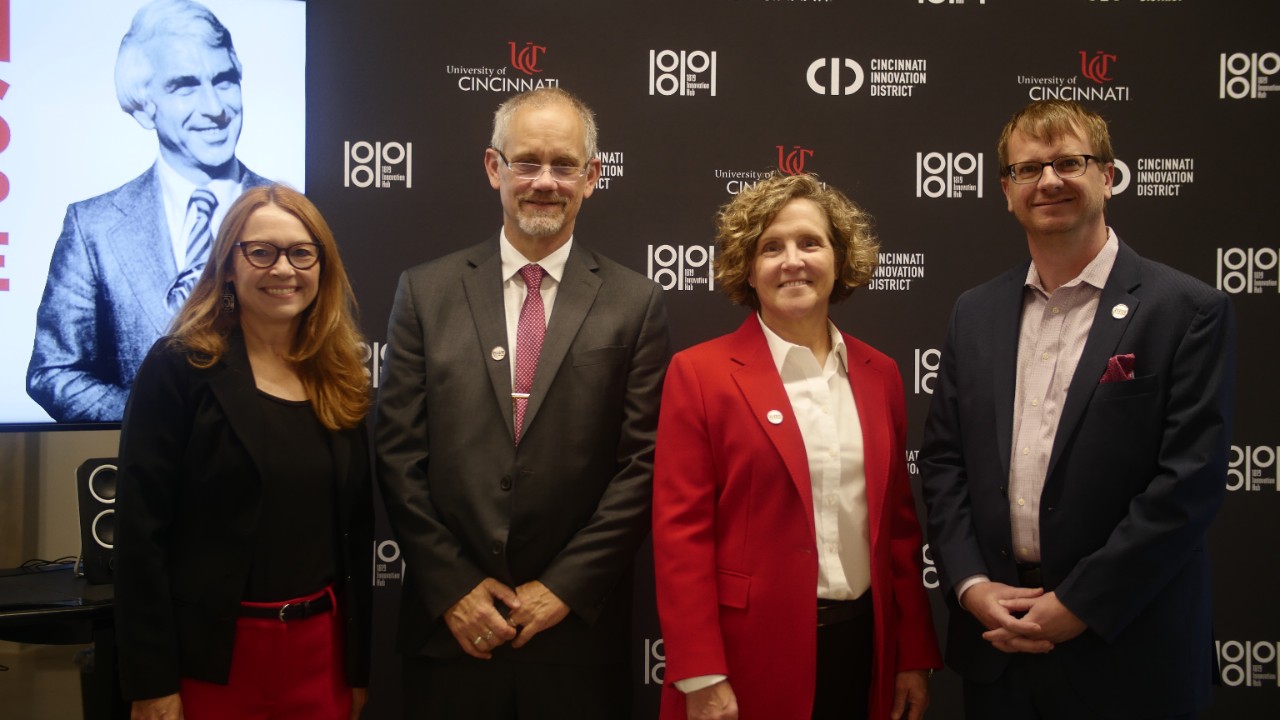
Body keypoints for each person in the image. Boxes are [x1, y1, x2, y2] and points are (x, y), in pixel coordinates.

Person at [919, 100, 1236, 719]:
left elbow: (1187, 485)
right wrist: (971, 586)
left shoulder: (1187, 310)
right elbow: (944, 464)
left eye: (1070, 162)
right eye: (1029, 169)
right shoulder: (974, 313)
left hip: (1128, 651)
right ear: (1006, 190)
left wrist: (1081, 604)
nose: (1050, 182)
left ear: (1109, 175)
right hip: (998, 649)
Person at [375, 87, 670, 718]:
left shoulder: (635, 303)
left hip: (576, 642)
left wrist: (561, 589)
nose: (544, 181)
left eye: (564, 165)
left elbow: (642, 465)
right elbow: (398, 453)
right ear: (493, 168)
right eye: (526, 161)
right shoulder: (425, 293)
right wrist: (453, 588)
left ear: (592, 177)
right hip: (450, 637)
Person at [653, 173, 942, 720]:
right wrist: (701, 673)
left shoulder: (879, 373)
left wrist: (912, 655)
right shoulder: (699, 374)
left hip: (864, 650)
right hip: (743, 657)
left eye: (810, 242)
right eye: (771, 247)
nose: (793, 261)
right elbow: (680, 537)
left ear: (839, 258)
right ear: (748, 267)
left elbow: (899, 530)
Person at [113, 184, 372, 720]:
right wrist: (152, 683)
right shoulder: (179, 368)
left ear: (322, 266)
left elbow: (356, 532)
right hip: (211, 662)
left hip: (321, 660)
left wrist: (358, 668)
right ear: (229, 265)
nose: (284, 269)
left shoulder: (339, 373)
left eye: (302, 252)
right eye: (261, 251)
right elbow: (141, 540)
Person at [28, 0, 270, 422]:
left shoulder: (292, 216)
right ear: (143, 106)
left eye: (225, 80)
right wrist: (153, 423)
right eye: (185, 86)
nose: (215, 107)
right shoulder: (94, 228)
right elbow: (54, 372)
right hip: (147, 477)